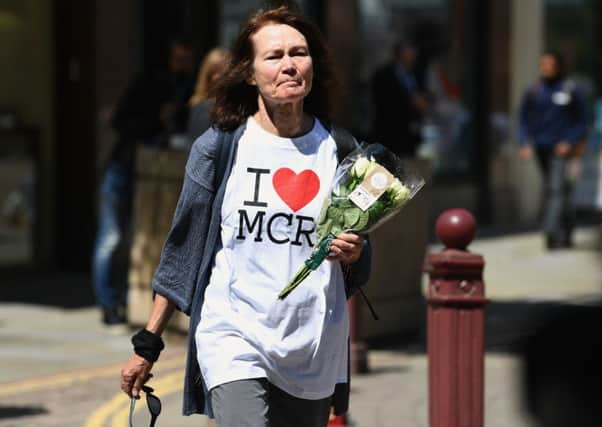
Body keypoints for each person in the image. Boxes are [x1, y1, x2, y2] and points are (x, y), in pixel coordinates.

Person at [120, 6, 372, 427]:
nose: (290, 65)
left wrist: (354, 253)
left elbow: (360, 267)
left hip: (312, 345)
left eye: (299, 53)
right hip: (233, 334)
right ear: (250, 73)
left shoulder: (341, 151)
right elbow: (183, 250)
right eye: (274, 56)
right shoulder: (219, 148)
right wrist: (148, 343)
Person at [92, 38, 195, 326]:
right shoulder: (148, 84)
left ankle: (126, 301)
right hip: (125, 166)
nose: (183, 66)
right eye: (179, 59)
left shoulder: (187, 87)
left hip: (156, 170)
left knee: (139, 239)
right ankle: (108, 304)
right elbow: (121, 122)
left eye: (188, 60)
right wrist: (156, 120)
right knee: (111, 238)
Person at [518, 51, 587, 249]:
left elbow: (582, 121)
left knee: (555, 189)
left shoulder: (570, 89)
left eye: (549, 64)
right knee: (560, 191)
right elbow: (523, 119)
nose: (545, 67)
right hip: (541, 148)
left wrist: (570, 141)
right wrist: (523, 143)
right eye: (543, 64)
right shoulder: (534, 91)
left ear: (558, 66)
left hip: (562, 150)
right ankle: (567, 230)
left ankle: (550, 231)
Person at [371, 41, 428, 158]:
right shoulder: (384, 75)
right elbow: (383, 102)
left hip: (412, 131)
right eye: (409, 52)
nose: (413, 55)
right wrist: (410, 102)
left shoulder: (417, 73)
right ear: (400, 53)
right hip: (390, 131)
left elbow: (423, 94)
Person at [187, 47, 230, 141]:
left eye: (221, 71)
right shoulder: (199, 106)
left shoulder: (236, 106)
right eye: (212, 72)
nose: (217, 77)